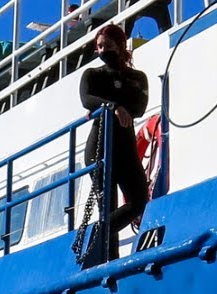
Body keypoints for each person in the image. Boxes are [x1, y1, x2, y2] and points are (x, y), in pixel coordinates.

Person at [77, 24, 149, 267]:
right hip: (99, 146)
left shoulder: (137, 78)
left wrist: (107, 104)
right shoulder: (92, 74)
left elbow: (139, 107)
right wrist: (115, 106)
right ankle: (111, 263)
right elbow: (87, 99)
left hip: (125, 146)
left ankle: (99, 233)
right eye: (99, 47)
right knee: (108, 206)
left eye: (107, 45)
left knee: (140, 199)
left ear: (120, 45)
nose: (102, 50)